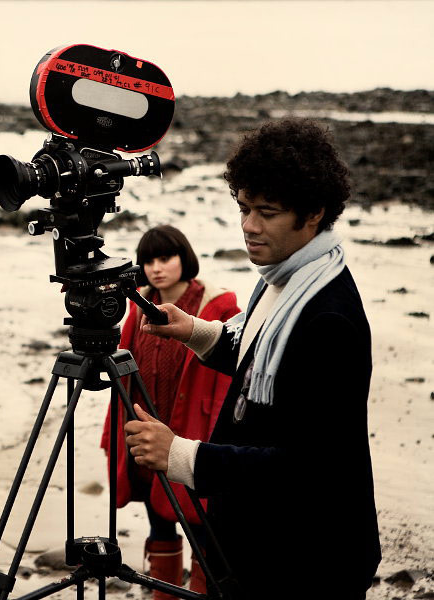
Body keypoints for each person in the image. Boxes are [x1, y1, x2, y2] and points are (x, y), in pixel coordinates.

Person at [124, 119, 382, 600]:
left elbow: (309, 469)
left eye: (267, 212)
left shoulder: (329, 319)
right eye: (244, 207)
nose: (249, 225)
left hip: (308, 559)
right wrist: (195, 331)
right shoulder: (283, 278)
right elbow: (257, 358)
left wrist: (182, 455)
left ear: (313, 214)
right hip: (261, 541)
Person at [101, 224, 240, 599]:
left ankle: (202, 591)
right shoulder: (139, 303)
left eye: (165, 258)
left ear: (185, 258)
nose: (156, 268)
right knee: (158, 520)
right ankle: (163, 593)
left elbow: (231, 376)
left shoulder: (217, 304)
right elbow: (124, 369)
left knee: (200, 524)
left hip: (194, 431)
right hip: (146, 429)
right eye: (148, 261)